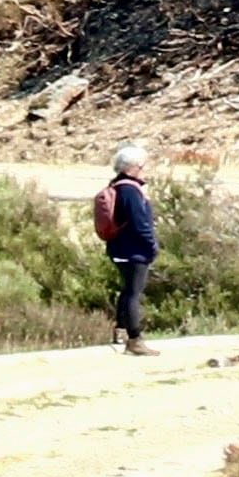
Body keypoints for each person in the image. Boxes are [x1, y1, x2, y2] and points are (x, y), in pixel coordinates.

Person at [92, 146, 159, 355]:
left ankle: (120, 331)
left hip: (118, 248)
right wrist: (152, 246)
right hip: (134, 251)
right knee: (133, 293)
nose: (144, 169)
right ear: (132, 167)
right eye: (141, 166)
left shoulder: (117, 186)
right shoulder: (130, 190)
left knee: (127, 290)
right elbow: (140, 224)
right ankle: (134, 339)